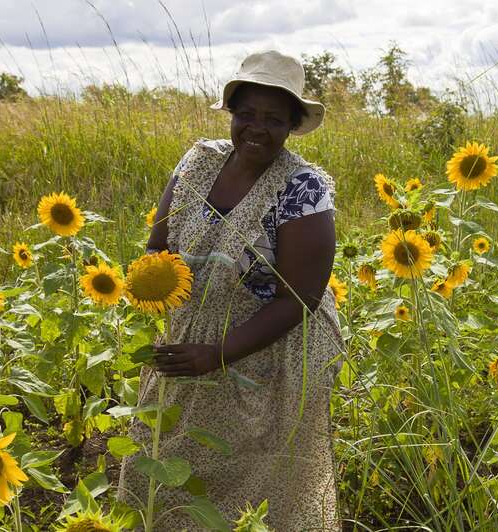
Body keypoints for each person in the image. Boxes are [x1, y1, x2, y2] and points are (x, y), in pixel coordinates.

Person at [117, 50, 345, 530]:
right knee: (164, 459)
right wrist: (149, 288)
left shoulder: (302, 189)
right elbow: (160, 246)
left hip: (277, 348)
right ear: (231, 114)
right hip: (192, 332)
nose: (256, 128)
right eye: (246, 114)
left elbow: (297, 299)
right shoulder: (198, 163)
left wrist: (217, 352)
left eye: (273, 118)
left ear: (290, 126)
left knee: (259, 481)